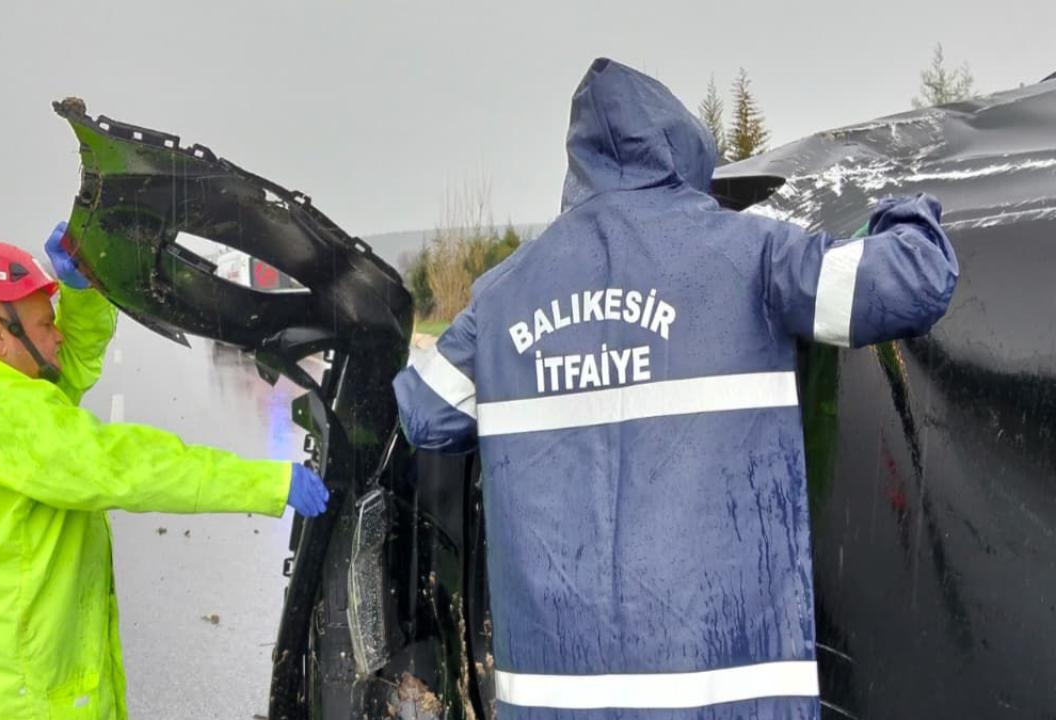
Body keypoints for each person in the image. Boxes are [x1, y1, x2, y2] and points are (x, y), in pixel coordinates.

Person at [393, 59, 957, 719]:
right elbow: (914, 281)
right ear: (682, 151)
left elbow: (423, 412)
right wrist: (898, 212)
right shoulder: (751, 256)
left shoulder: (502, 296)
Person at [0, 222, 329, 719]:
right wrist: (267, 483)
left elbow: (70, 363)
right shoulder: (1, 416)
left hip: (18, 667)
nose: (57, 333)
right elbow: (125, 465)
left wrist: (79, 293)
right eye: (45, 323)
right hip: (26, 693)